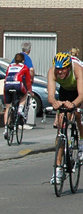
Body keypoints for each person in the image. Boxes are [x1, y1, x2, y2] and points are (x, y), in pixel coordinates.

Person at [47, 52, 83, 184]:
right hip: (65, 91)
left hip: (79, 92)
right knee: (61, 124)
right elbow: (50, 95)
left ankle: (81, 142)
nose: (60, 72)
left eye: (63, 69)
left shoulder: (78, 70)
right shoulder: (52, 72)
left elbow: (81, 94)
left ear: (69, 67)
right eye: (58, 69)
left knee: (78, 114)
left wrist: (73, 104)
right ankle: (58, 170)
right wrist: (54, 102)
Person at [3, 53, 32, 139]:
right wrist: (30, 90)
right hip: (18, 85)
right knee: (25, 94)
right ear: (23, 61)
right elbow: (28, 81)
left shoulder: (9, 66)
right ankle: (19, 110)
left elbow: (6, 77)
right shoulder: (24, 67)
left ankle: (5, 129)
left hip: (7, 85)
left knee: (7, 108)